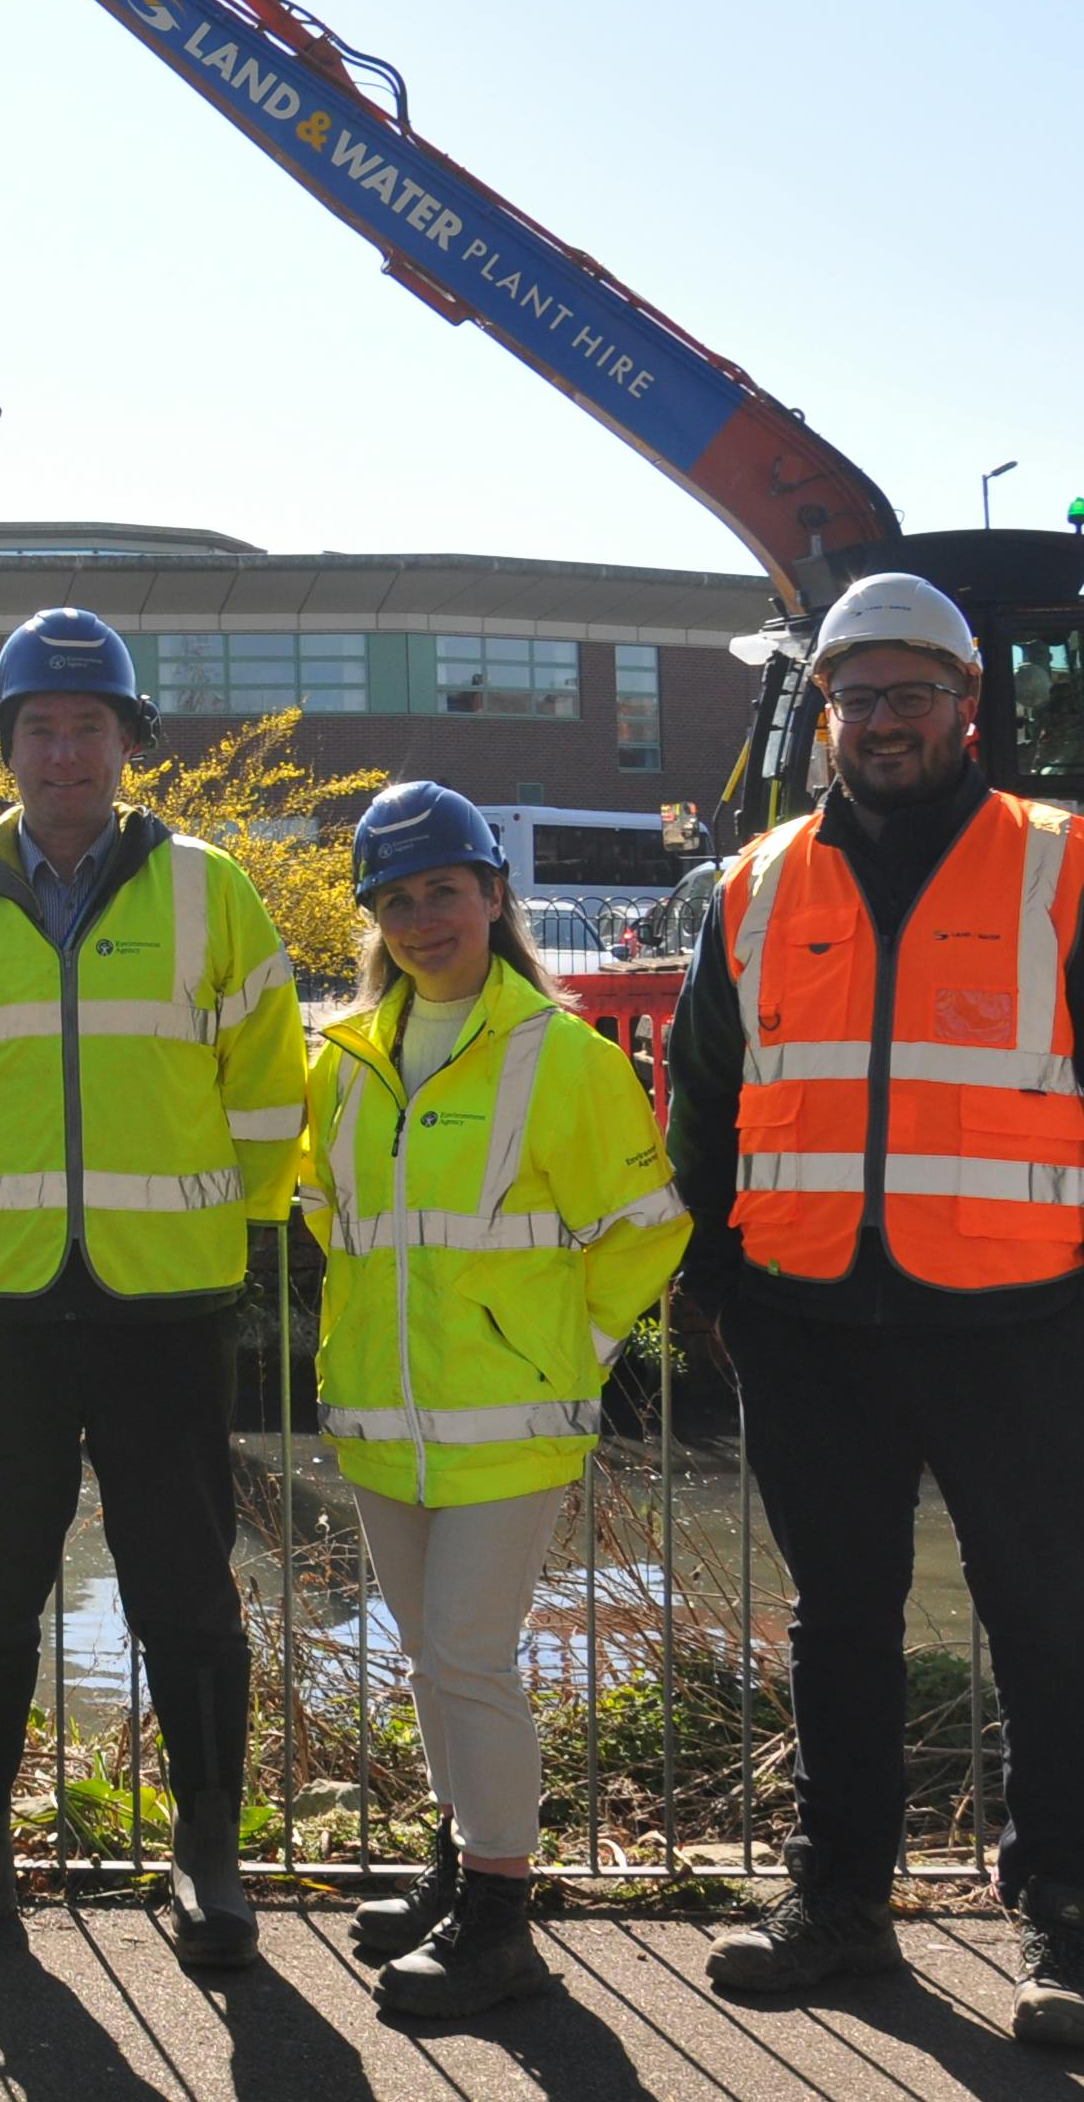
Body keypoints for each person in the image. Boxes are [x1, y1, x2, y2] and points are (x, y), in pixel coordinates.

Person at [670, 569, 1084, 2051]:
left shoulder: (1064, 868)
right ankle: (841, 1900)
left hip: (1019, 1326)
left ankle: (1063, 1920)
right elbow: (704, 1099)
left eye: (911, 694)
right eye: (856, 695)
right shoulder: (761, 883)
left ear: (967, 708)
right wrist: (723, 1284)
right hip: (811, 1324)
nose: (882, 720)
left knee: (1042, 1620)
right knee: (839, 1624)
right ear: (824, 711)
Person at [0, 606, 304, 1971]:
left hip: (167, 1310)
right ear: (3, 747)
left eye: (87, 728)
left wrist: (229, 1231)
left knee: (187, 1592)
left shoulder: (208, 889)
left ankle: (208, 1854)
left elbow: (268, 1082)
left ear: (127, 743)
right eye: (39, 729)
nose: (62, 753)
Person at [292, 783, 687, 2021]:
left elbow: (644, 1231)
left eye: (442, 892)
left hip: (507, 1422)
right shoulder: (343, 1063)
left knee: (468, 1655)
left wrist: (558, 1343)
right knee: (430, 1660)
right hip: (379, 1413)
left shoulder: (561, 1056)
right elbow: (329, 1220)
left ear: (492, 895)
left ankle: (503, 1926)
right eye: (396, 899)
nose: (421, 919)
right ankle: (461, 1872)